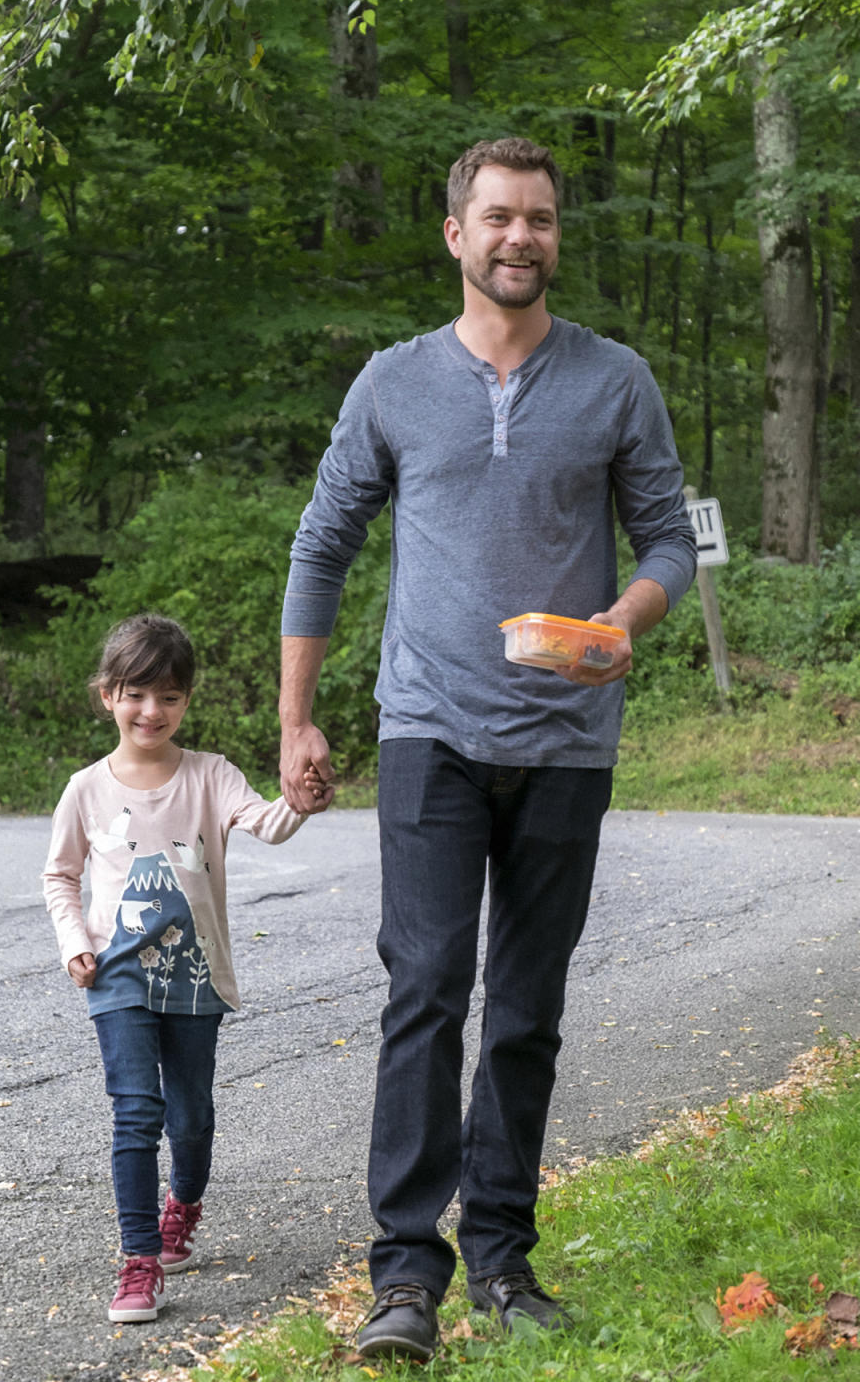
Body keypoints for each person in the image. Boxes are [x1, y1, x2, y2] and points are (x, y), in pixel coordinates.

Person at [278, 137, 697, 1360]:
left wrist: (624, 620)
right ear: (455, 234)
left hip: (568, 739)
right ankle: (405, 1277)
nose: (524, 237)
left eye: (544, 220)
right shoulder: (392, 383)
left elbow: (671, 540)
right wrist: (299, 718)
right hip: (429, 732)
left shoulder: (617, 379)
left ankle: (504, 1262)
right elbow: (322, 547)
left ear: (558, 237)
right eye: (501, 217)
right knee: (424, 992)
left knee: (524, 1009)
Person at [44, 613, 319, 1324]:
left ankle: (184, 1204)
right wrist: (75, 940)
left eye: (168, 696)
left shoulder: (210, 775)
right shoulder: (85, 789)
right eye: (136, 694)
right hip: (117, 973)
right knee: (138, 1110)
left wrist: (301, 801)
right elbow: (61, 876)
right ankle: (138, 1262)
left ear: (186, 702)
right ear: (107, 695)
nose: (151, 711)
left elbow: (266, 822)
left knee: (190, 1116)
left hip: (195, 973)